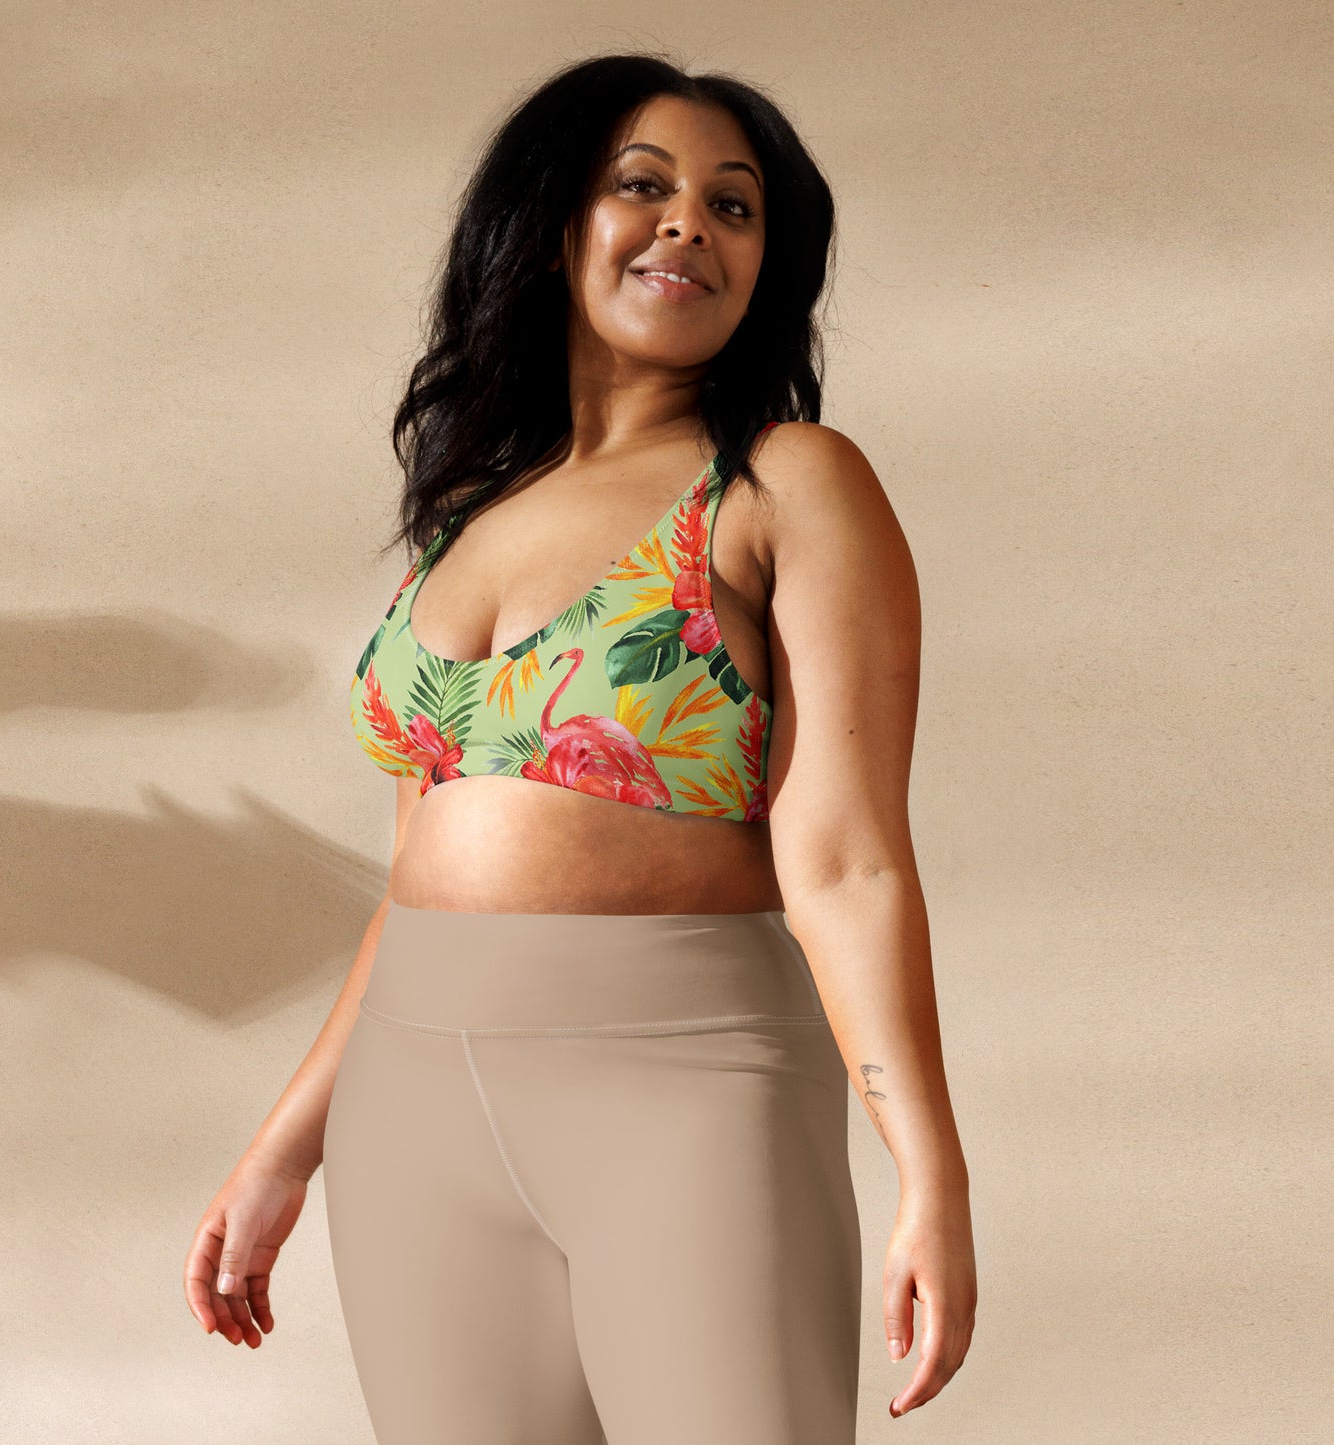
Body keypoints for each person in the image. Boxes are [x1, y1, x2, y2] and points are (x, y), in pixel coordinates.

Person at [184, 51, 976, 1443]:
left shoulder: (784, 481)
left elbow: (848, 861)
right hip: (410, 1109)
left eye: (734, 206)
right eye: (642, 186)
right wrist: (285, 1146)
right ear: (553, 227)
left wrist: (930, 1173)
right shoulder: (467, 508)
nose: (689, 225)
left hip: (687, 1081)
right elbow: (415, 879)